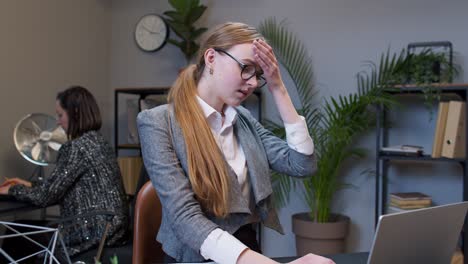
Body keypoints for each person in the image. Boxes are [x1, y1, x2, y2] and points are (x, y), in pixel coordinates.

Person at [136, 22, 334, 264]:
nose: (252, 83)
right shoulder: (157, 123)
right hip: (194, 256)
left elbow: (303, 164)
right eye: (246, 68)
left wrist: (277, 87)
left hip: (248, 251)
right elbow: (186, 219)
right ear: (211, 58)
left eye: (258, 75)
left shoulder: (243, 120)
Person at [0, 86, 129, 261]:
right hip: (112, 230)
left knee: (16, 235)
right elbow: (61, 186)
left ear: (75, 113)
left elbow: (45, 197)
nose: (58, 122)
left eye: (60, 115)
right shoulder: (98, 142)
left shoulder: (76, 147)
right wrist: (29, 185)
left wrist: (11, 190)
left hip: (92, 230)